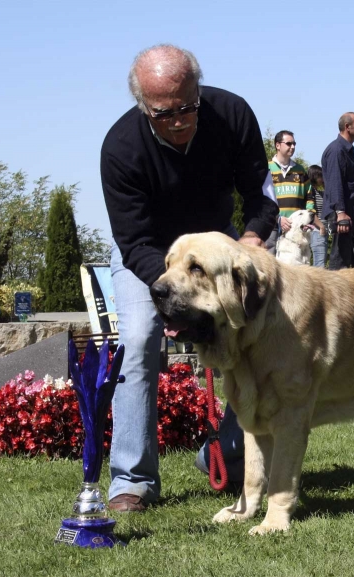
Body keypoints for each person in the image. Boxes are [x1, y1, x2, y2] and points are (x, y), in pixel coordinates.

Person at [101, 44, 278, 512]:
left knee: (257, 336)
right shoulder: (120, 149)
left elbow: (262, 198)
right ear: (143, 106)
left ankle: (230, 453)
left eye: (188, 107)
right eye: (164, 113)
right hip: (151, 260)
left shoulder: (233, 114)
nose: (179, 120)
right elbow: (134, 242)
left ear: (198, 89)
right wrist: (179, 288)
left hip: (222, 254)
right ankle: (132, 480)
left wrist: (253, 241)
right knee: (139, 340)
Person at [321, 113, 354, 270]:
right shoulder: (336, 150)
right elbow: (335, 183)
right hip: (343, 216)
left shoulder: (347, 149)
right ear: (347, 127)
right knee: (340, 263)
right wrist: (340, 213)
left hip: (352, 213)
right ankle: (332, 295)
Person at [264, 131, 320, 255]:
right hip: (272, 225)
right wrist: (278, 219)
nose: (293, 147)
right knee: (269, 264)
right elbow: (263, 198)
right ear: (278, 145)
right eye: (289, 143)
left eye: (294, 143)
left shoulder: (300, 170)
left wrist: (308, 217)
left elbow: (310, 195)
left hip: (295, 228)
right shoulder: (267, 168)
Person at [307, 165, 329, 268]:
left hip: (321, 230)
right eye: (321, 176)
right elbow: (310, 212)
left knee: (320, 264)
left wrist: (325, 184)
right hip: (317, 230)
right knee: (320, 266)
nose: (323, 178)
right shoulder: (310, 190)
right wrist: (321, 226)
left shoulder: (318, 191)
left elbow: (329, 196)